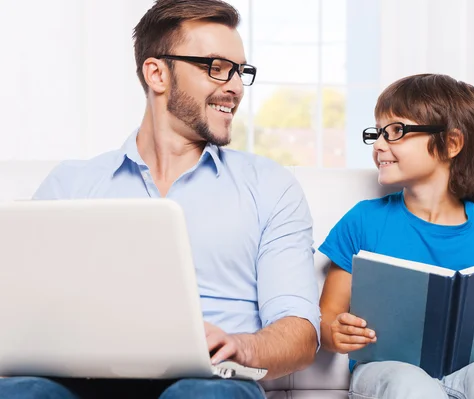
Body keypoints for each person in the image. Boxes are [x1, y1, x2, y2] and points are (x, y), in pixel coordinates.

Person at [0, 0, 320, 398]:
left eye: (240, 71)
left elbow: (300, 333)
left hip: (209, 381)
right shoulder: (71, 184)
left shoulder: (270, 186)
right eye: (216, 67)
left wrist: (244, 346)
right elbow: (19, 308)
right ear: (157, 73)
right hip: (79, 381)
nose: (235, 86)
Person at [318, 74, 474, 399]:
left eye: (396, 131)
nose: (378, 144)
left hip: (473, 371)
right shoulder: (364, 220)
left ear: (452, 143)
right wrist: (336, 332)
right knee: (409, 385)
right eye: (378, 132)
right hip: (386, 371)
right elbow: (327, 316)